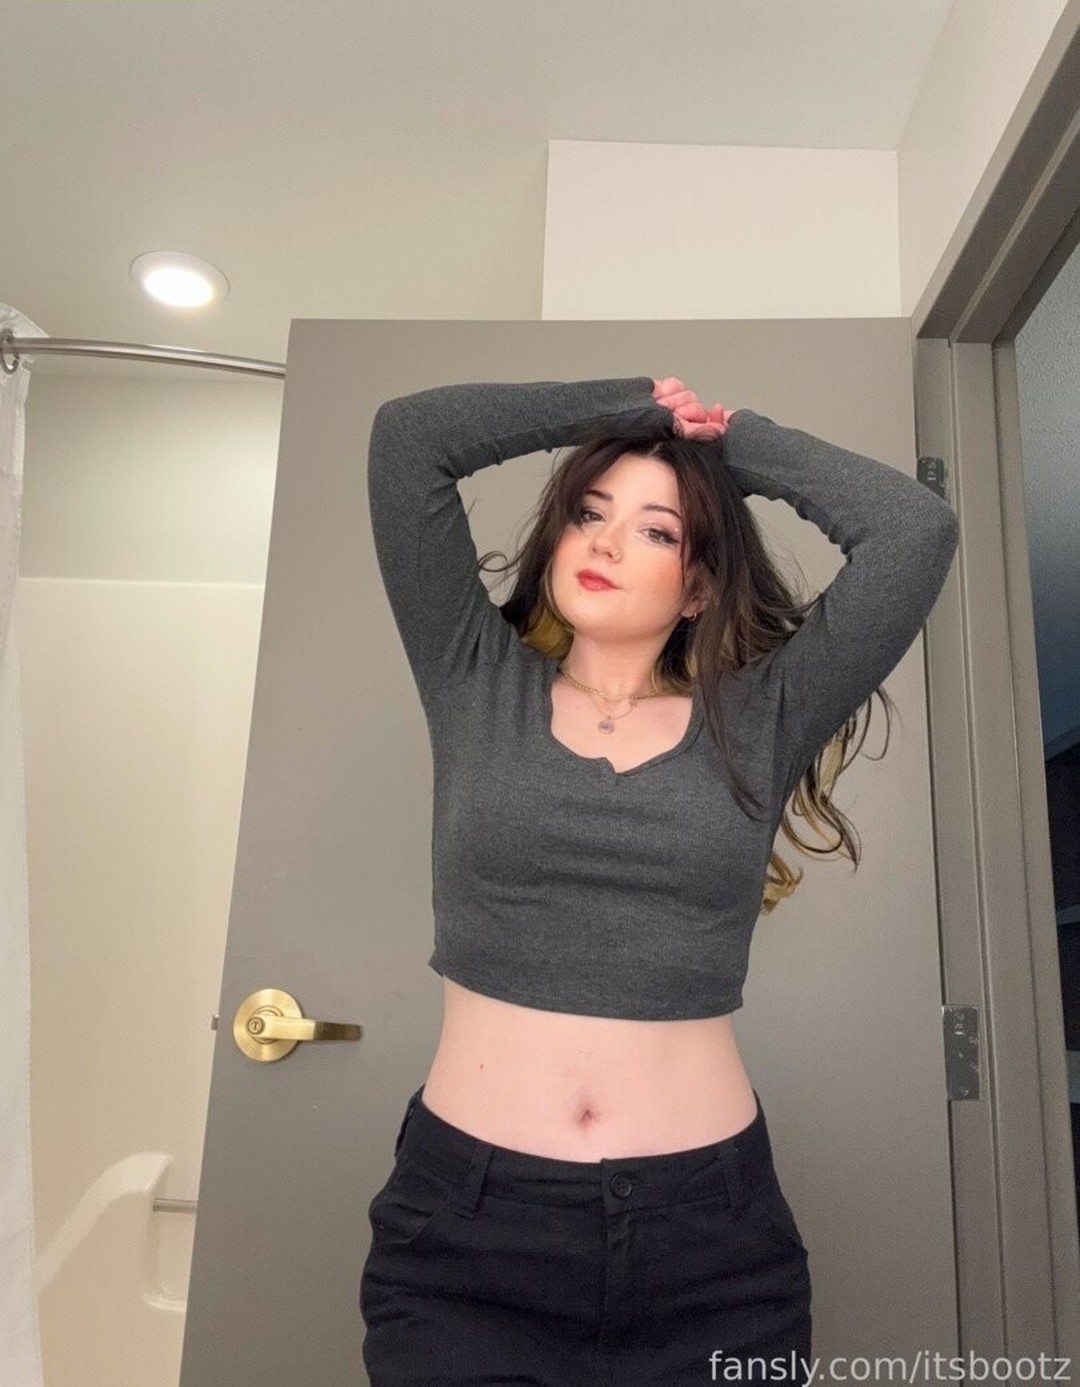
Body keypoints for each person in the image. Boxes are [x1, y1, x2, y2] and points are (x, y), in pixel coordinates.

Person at [358, 374, 960, 1386]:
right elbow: (408, 438)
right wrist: (630, 404)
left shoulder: (760, 719)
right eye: (588, 514)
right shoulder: (471, 679)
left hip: (710, 1246)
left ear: (697, 588)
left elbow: (914, 532)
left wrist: (729, 441)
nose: (603, 542)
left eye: (655, 530)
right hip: (469, 1240)